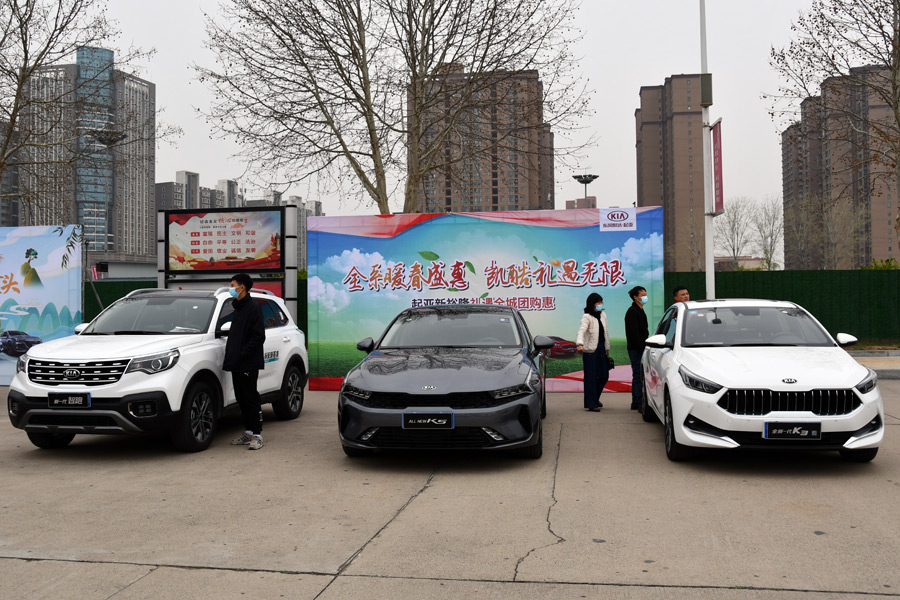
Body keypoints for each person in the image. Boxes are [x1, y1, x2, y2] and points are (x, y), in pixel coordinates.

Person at [224, 273, 267, 450]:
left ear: (242, 287)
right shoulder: (238, 307)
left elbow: (259, 336)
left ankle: (257, 435)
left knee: (250, 397)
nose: (231, 288)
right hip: (237, 363)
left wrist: (242, 354)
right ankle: (248, 432)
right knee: (241, 397)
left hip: (248, 362)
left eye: (232, 285)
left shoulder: (253, 307)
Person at [575, 292, 610, 412]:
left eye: (601, 302)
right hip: (590, 351)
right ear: (592, 304)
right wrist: (580, 344)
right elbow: (581, 331)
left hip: (601, 349)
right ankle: (591, 403)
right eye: (598, 302)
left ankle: (595, 397)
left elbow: (606, 332)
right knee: (591, 378)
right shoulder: (587, 317)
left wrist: (607, 348)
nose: (600, 304)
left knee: (604, 375)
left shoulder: (603, 315)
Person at [625, 286, 649, 410]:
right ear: (635, 297)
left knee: (639, 375)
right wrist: (641, 347)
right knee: (638, 376)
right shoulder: (632, 312)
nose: (645, 297)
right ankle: (638, 402)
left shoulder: (640, 310)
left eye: (645, 294)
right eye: (642, 295)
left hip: (641, 348)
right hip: (636, 349)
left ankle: (636, 402)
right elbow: (634, 333)